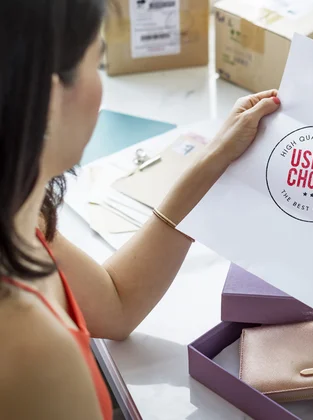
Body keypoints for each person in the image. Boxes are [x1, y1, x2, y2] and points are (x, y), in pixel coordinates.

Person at [0, 1, 280, 419]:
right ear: (49, 96)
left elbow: (115, 304)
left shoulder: (17, 205)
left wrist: (216, 159)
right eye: (96, 62)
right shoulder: (30, 347)